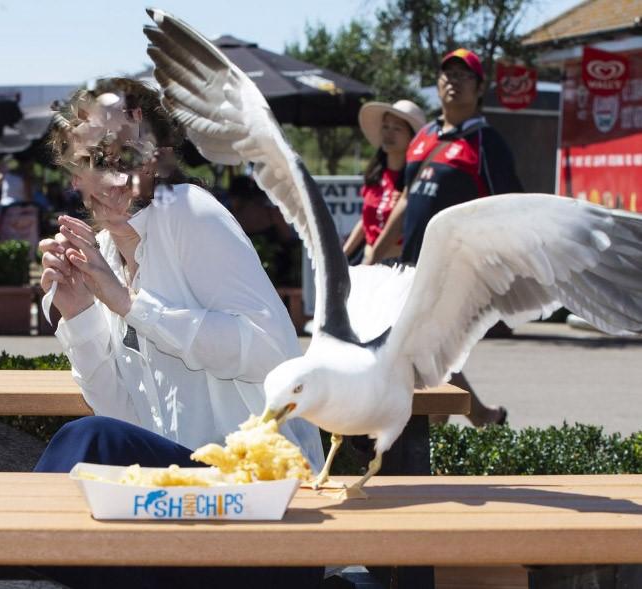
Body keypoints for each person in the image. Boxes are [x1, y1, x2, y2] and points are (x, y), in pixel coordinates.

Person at [34, 78, 324, 589]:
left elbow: (273, 357)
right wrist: (80, 313)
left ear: (158, 161)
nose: (112, 174)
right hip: (179, 505)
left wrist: (130, 305)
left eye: (128, 153)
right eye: (94, 158)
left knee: (87, 441)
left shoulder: (190, 213)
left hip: (266, 512)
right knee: (93, 456)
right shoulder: (103, 250)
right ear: (74, 173)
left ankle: (16, 551)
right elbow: (123, 417)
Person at [369, 49, 524, 426]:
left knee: (421, 349)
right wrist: (375, 249)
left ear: (480, 87)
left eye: (464, 76)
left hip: (457, 269)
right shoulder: (423, 137)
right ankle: (473, 419)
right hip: (412, 264)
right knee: (424, 352)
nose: (453, 82)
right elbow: (406, 198)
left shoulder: (488, 143)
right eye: (447, 75)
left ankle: (437, 431)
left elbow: (512, 207)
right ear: (437, 85)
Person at [343, 100, 425, 264]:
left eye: (397, 128)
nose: (389, 133)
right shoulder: (375, 175)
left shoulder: (418, 180)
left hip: (401, 267)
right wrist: (342, 254)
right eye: (385, 127)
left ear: (412, 137)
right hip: (369, 261)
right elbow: (366, 222)